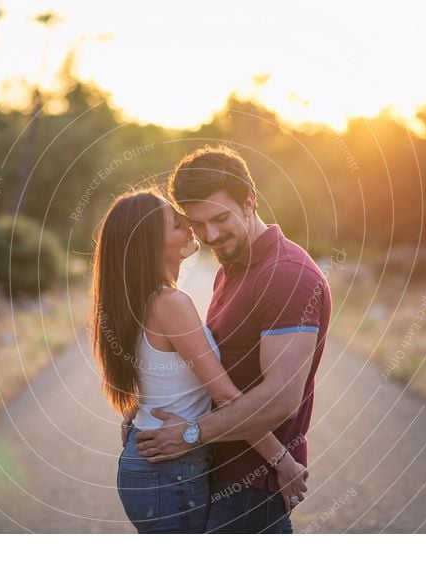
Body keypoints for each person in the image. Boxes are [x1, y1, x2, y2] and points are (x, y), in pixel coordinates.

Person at [135, 146, 332, 533]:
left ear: (249, 201)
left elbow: (281, 400)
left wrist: (190, 434)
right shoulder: (233, 268)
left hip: (250, 484)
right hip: (214, 469)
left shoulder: (286, 276)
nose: (210, 235)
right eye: (197, 224)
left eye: (220, 218)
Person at [91, 188, 308, 534]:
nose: (192, 229)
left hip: (155, 466)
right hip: (168, 471)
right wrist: (282, 461)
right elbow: (225, 396)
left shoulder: (142, 300)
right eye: (179, 224)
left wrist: (142, 409)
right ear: (151, 243)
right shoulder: (171, 303)